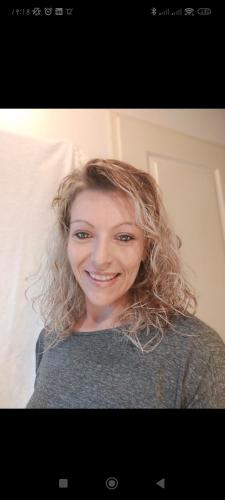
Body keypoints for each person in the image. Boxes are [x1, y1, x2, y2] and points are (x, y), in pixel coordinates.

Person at [25, 158, 225, 408]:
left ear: (147, 248)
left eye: (124, 237)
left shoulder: (196, 349)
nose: (100, 259)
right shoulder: (51, 338)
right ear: (67, 241)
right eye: (83, 234)